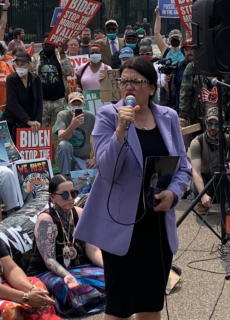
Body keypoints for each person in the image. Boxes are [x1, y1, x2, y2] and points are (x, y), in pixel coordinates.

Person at [74, 57, 191, 320]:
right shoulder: (107, 116)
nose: (128, 87)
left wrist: (173, 194)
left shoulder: (168, 117)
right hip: (122, 224)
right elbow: (107, 170)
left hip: (157, 222)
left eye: (135, 82)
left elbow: (183, 167)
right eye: (124, 81)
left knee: (151, 304)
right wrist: (121, 130)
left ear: (151, 87)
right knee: (120, 306)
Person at [29, 175, 106, 317]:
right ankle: (91, 299)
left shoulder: (80, 213)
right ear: (52, 197)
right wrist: (67, 275)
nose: (70, 198)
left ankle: (89, 298)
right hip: (48, 272)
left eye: (73, 193)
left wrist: (107, 267)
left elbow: (92, 249)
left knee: (107, 275)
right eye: (65, 194)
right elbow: (49, 260)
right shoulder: (46, 220)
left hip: (77, 268)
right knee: (63, 285)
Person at [187, 106, 230, 212]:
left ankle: (229, 200)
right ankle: (203, 200)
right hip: (206, 177)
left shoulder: (229, 137)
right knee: (202, 202)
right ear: (206, 123)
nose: (213, 127)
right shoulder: (197, 142)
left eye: (217, 124)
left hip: (224, 175)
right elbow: (195, 172)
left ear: (223, 125)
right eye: (210, 124)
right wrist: (203, 194)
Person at [34, 35, 75, 129]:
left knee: (58, 130)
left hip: (59, 101)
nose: (49, 46)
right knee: (41, 131)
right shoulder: (35, 59)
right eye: (47, 44)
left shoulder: (61, 57)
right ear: (42, 44)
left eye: (52, 44)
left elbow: (69, 72)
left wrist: (62, 54)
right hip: (41, 102)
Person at [54, 92, 97, 175]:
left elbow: (98, 138)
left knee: (86, 179)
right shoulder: (62, 115)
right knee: (64, 144)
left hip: (83, 159)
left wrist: (95, 158)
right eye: (73, 104)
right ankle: (65, 176)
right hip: (66, 157)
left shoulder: (90, 116)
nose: (76, 106)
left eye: (79, 104)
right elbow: (61, 137)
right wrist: (73, 125)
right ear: (68, 105)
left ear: (83, 105)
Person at [3, 52, 43, 140]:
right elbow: (12, 103)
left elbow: (39, 102)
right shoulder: (11, 79)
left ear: (29, 65)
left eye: (23, 64)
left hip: (31, 121)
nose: (20, 67)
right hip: (14, 121)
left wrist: (37, 122)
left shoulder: (35, 79)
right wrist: (28, 121)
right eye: (18, 65)